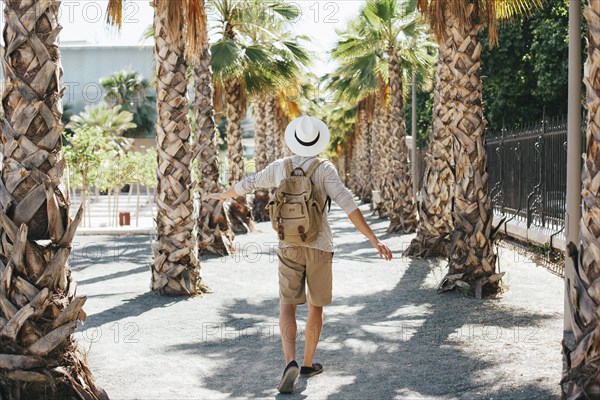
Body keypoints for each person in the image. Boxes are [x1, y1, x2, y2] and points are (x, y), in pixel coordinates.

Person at [205, 115, 393, 393]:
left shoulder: (281, 167)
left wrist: (224, 195)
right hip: (319, 245)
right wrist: (374, 239)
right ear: (318, 141)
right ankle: (307, 363)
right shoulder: (325, 168)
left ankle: (289, 361)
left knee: (287, 305)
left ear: (293, 140)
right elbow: (348, 204)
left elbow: (251, 182)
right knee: (316, 306)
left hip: (288, 244)